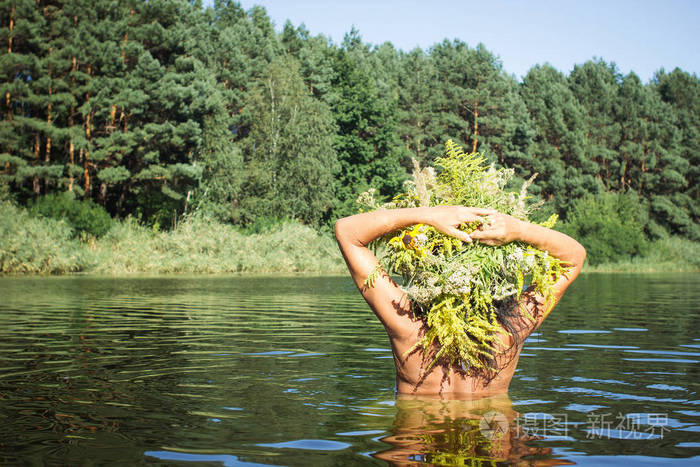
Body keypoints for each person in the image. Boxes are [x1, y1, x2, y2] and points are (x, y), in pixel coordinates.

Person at [335, 205, 586, 396]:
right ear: (498, 277)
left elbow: (347, 231)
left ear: (432, 274)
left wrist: (430, 214)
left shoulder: (408, 328)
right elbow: (574, 257)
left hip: (414, 446)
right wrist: (517, 229)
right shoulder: (510, 333)